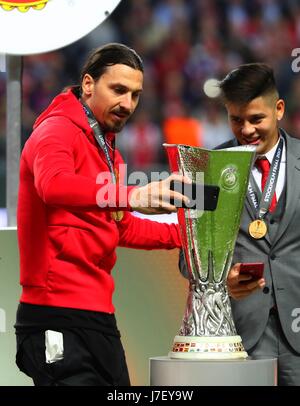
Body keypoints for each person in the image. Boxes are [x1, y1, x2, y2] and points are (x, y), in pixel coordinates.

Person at [15, 43, 191, 386]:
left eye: (135, 95)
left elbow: (120, 227)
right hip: (54, 316)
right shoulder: (56, 130)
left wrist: (187, 237)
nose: (128, 104)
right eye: (119, 90)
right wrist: (131, 194)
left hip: (97, 317)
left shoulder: (108, 150)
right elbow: (53, 185)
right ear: (88, 84)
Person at [180, 62, 300, 385]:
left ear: (278, 109)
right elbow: (188, 257)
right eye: (236, 119)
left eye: (256, 119)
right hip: (240, 333)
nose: (246, 130)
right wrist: (221, 279)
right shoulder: (208, 168)